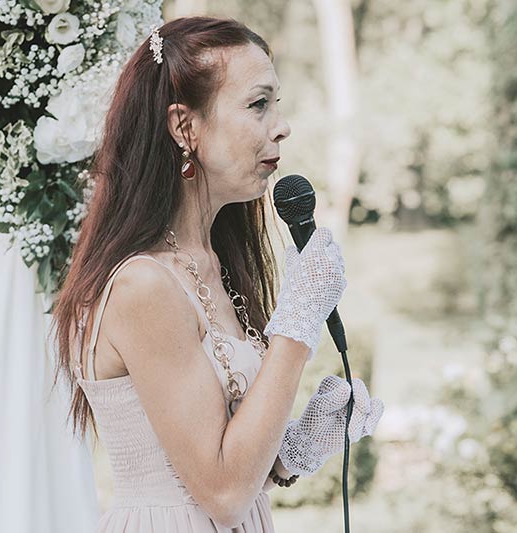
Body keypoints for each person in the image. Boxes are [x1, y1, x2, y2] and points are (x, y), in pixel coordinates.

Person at [50, 16, 383, 532]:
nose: (281, 125)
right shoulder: (144, 286)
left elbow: (231, 462)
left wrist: (298, 447)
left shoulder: (215, 265)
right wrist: (298, 323)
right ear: (185, 127)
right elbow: (223, 493)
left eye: (277, 103)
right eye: (258, 104)